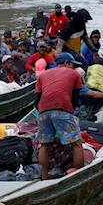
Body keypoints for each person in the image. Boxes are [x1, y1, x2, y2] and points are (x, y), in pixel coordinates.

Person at [35, 52, 84, 180]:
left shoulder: (43, 75)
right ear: (67, 63)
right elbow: (75, 100)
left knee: (44, 145)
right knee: (76, 144)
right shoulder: (75, 74)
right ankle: (79, 177)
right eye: (73, 64)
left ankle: (43, 179)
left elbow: (36, 101)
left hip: (43, 111)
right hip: (62, 109)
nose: (74, 67)